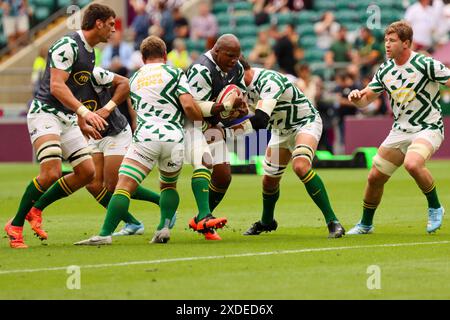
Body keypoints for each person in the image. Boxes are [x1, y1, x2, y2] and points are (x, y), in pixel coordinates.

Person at [4, 4, 115, 248]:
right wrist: (85, 112)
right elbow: (56, 86)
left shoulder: (90, 52)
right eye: (111, 24)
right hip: (45, 113)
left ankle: (34, 210)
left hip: (67, 118)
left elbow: (72, 89)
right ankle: (16, 224)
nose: (113, 30)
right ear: (98, 23)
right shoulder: (68, 45)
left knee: (87, 173)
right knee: (51, 172)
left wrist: (79, 121)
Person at [75, 35, 204, 245]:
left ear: (143, 58)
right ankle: (163, 229)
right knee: (169, 186)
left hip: (146, 138)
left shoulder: (134, 78)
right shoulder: (175, 73)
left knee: (123, 186)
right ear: (165, 55)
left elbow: (136, 108)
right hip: (173, 138)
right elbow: (188, 106)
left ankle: (105, 234)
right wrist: (202, 121)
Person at [347, 21, 450, 235]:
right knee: (375, 176)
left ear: (406, 43)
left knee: (412, 164)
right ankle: (366, 224)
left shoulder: (425, 64)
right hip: (400, 131)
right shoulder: (385, 70)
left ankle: (434, 207)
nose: (387, 45)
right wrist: (356, 97)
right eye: (386, 41)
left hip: (427, 127)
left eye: (392, 41)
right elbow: (366, 99)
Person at [233, 57, 345, 238]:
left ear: (239, 70)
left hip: (304, 123)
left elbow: (261, 121)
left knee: (300, 166)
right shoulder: (241, 86)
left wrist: (230, 129)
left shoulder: (268, 81)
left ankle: (333, 221)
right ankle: (267, 222)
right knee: (269, 181)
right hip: (280, 130)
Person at [84, 67, 163, 237]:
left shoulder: (94, 73)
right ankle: (132, 223)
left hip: (115, 132)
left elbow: (125, 84)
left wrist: (108, 108)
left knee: (113, 185)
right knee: (93, 184)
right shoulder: (62, 84)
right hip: (93, 134)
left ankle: (162, 201)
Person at [185, 34, 247, 240]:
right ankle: (200, 219)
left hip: (213, 124)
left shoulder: (236, 68)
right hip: (192, 124)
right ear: (216, 50)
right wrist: (224, 110)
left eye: (237, 57)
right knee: (203, 167)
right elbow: (193, 107)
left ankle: (202, 219)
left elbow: (239, 95)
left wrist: (239, 107)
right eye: (230, 55)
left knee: (223, 176)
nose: (234, 61)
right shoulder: (201, 70)